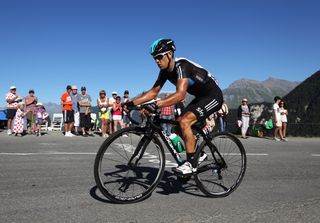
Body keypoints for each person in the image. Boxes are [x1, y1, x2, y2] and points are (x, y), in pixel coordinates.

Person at [125, 38, 223, 175]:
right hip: (200, 97)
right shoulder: (164, 71)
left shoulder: (181, 66)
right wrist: (131, 103)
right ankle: (198, 155)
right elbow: (153, 92)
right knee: (177, 125)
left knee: (184, 121)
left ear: (169, 54)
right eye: (154, 58)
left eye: (159, 57)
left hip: (213, 96)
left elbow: (180, 95)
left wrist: (157, 105)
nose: (157, 61)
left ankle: (190, 164)